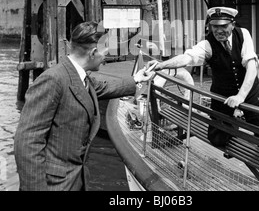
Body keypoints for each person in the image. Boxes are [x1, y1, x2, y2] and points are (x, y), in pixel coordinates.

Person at [14, 21, 154, 191]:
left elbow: (102, 87)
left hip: (76, 180)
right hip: (55, 185)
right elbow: (27, 143)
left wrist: (137, 79)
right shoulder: (52, 80)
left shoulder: (80, 77)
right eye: (106, 53)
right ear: (93, 53)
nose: (107, 58)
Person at [148, 7, 259, 147]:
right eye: (214, 26)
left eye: (223, 25)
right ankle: (232, 130)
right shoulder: (207, 44)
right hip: (222, 94)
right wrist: (161, 65)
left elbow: (251, 68)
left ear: (233, 24)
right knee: (217, 139)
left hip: (250, 93)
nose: (218, 30)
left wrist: (241, 96)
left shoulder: (243, 35)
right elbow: (187, 58)